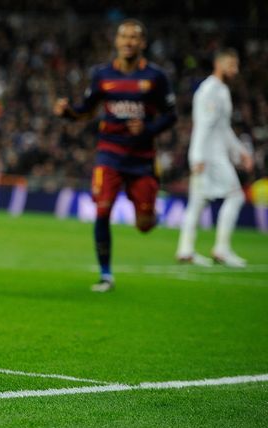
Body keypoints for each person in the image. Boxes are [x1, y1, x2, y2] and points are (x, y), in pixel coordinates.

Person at [53, 19, 177, 292]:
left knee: (144, 225)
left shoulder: (155, 77)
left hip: (142, 158)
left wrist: (148, 129)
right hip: (109, 153)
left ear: (142, 43)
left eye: (134, 37)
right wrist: (68, 112)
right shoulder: (103, 74)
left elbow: (171, 115)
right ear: (117, 41)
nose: (128, 42)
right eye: (124, 36)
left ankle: (149, 210)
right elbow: (86, 109)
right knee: (102, 210)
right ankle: (106, 274)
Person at [175, 49, 254, 267]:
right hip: (209, 157)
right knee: (236, 196)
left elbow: (223, 128)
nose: (235, 70)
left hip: (210, 155)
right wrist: (198, 156)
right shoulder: (210, 90)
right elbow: (204, 125)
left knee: (197, 202)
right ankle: (221, 248)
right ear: (219, 64)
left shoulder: (221, 90)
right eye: (231, 65)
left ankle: (186, 250)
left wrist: (241, 151)